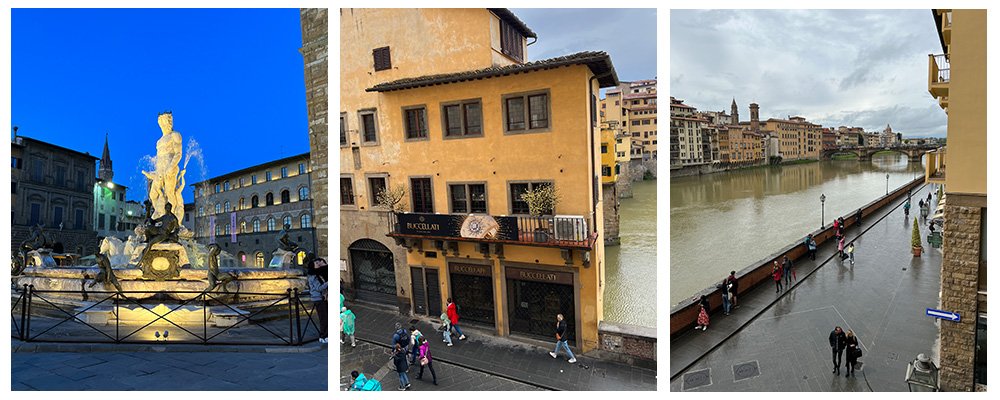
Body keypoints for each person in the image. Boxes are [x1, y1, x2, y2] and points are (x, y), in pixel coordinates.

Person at [307, 253, 329, 344]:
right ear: (313, 267)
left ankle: (325, 335)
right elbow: (318, 288)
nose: (318, 264)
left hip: (320, 298)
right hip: (318, 299)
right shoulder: (313, 277)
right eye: (316, 264)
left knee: (325, 317)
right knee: (323, 318)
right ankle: (323, 336)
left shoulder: (316, 275)